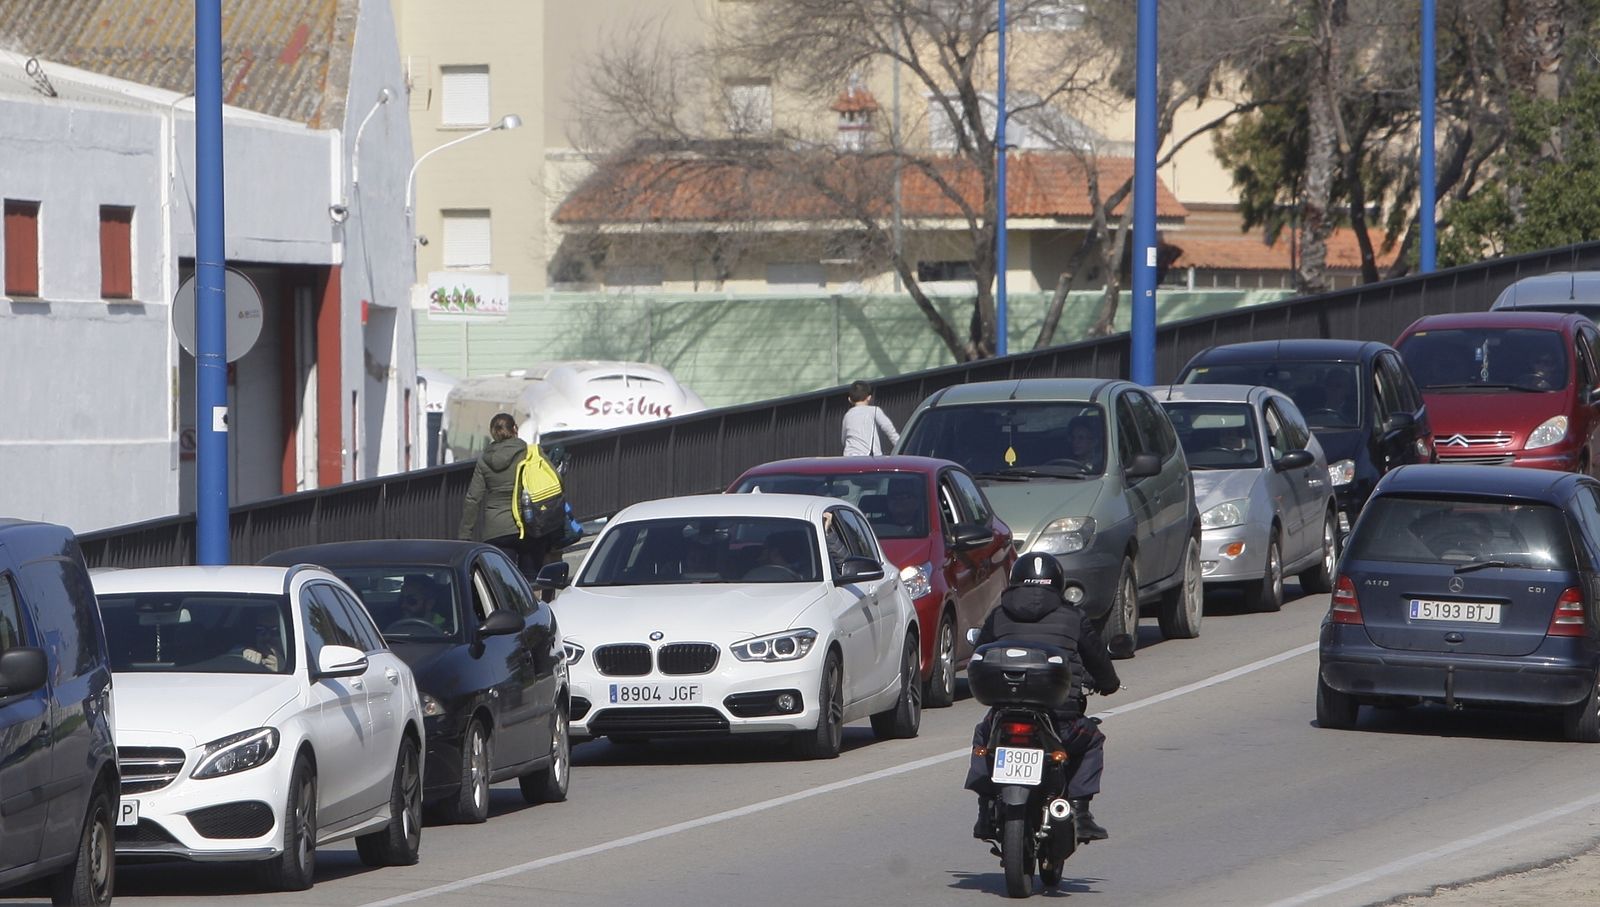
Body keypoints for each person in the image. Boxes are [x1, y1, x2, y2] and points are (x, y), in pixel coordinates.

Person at [965, 552, 1121, 843]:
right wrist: (1108, 683)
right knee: (1092, 741)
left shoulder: (999, 615)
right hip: (1059, 720)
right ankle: (1079, 812)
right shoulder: (1074, 617)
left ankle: (985, 808)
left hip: (1004, 713)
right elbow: (1098, 660)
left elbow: (979, 655)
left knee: (983, 737)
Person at [458, 412, 540, 573]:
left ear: (492, 433)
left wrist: (464, 535)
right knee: (532, 582)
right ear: (515, 428)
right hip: (527, 524)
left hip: (496, 530)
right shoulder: (528, 453)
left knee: (504, 582)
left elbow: (473, 499)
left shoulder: (484, 460)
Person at [841, 381, 900, 456]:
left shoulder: (847, 415)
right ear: (869, 398)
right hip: (870, 458)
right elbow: (890, 430)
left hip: (849, 458)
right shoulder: (875, 410)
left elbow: (843, 440)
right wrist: (901, 446)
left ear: (849, 399)